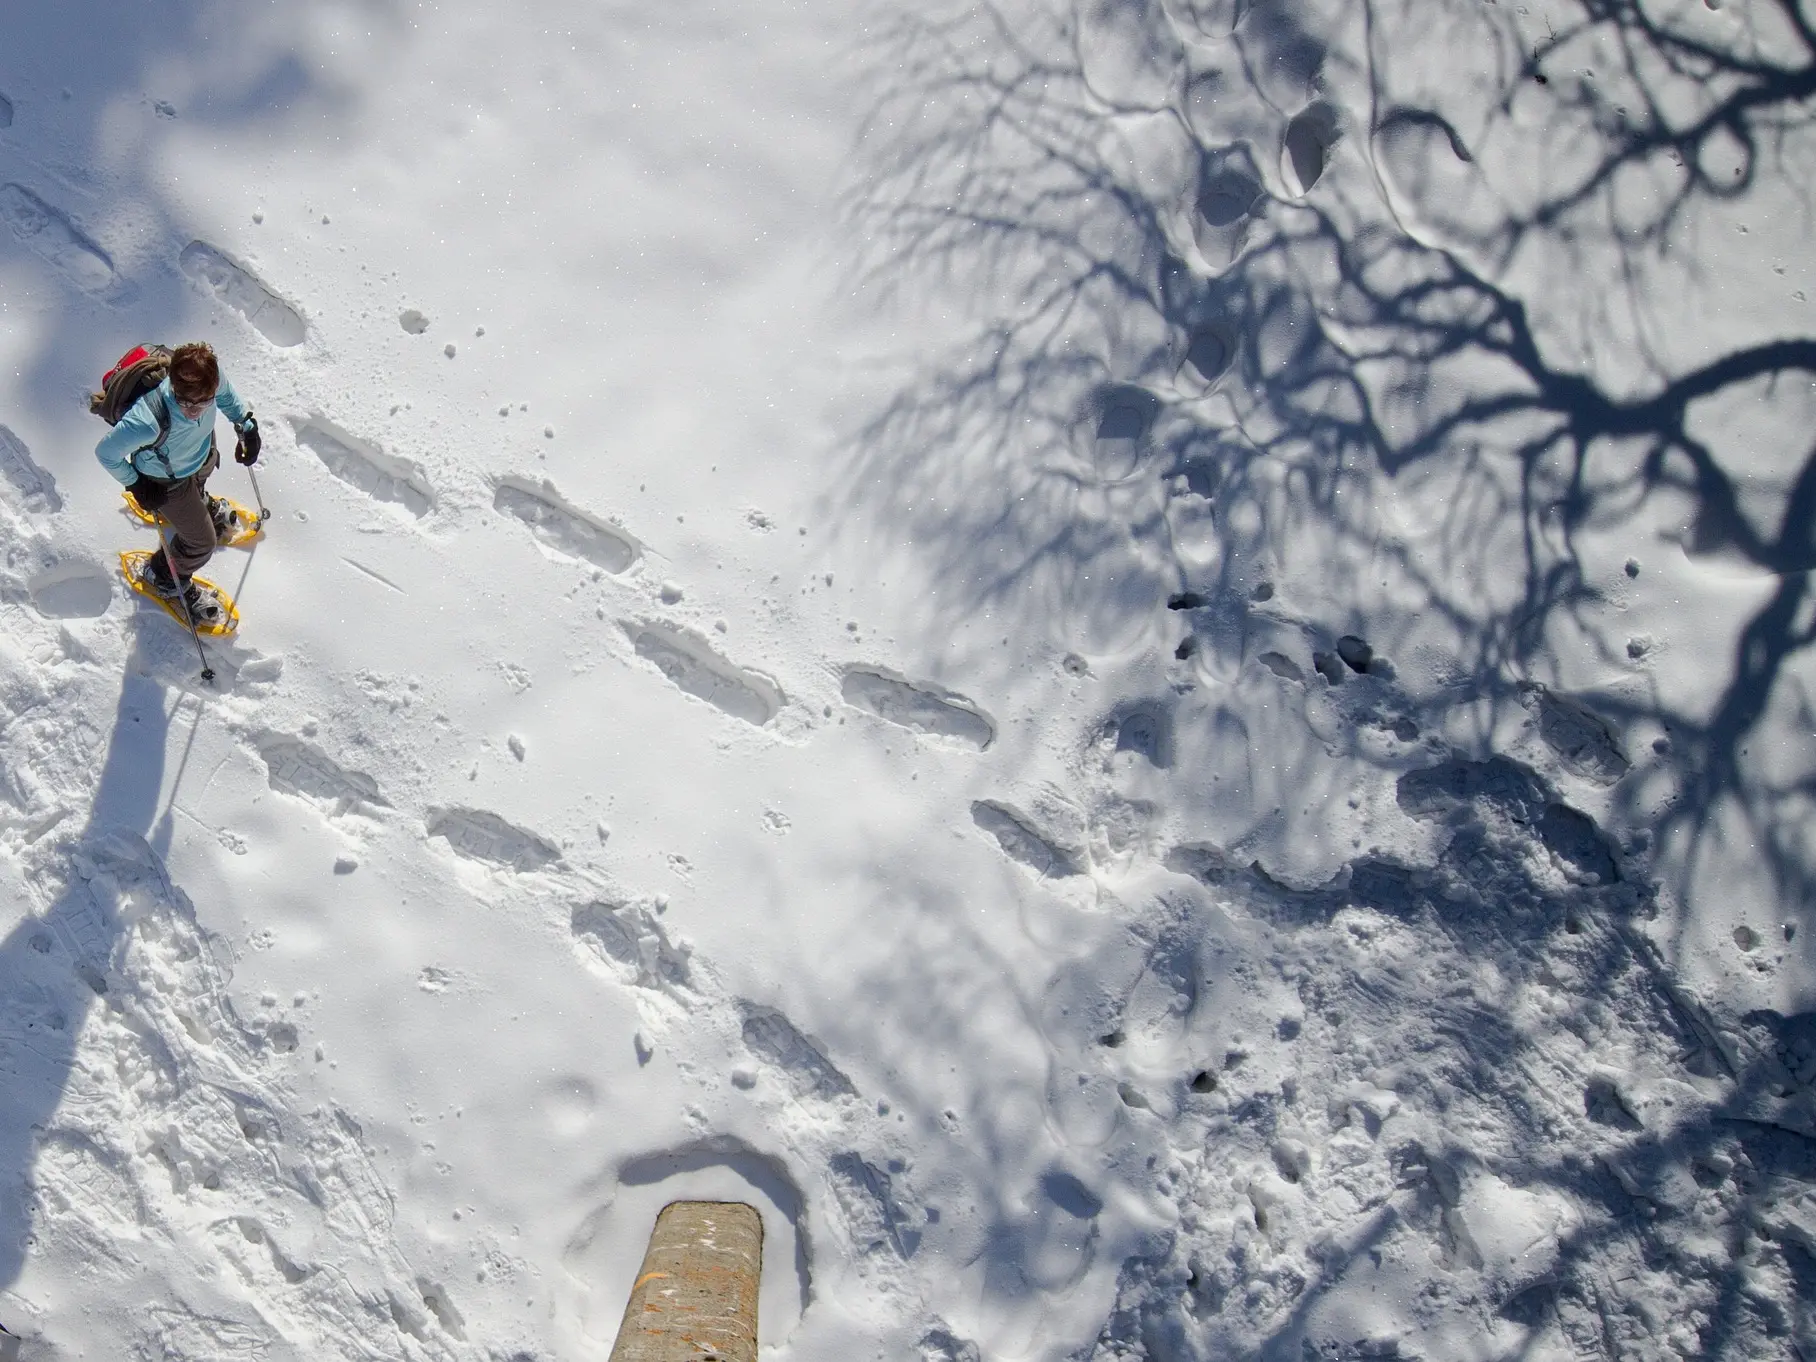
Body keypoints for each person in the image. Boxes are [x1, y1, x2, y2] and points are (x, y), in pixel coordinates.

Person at [94, 341, 261, 624]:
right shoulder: (146, 420)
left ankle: (200, 506)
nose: (194, 410)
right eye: (185, 402)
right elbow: (106, 453)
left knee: (201, 480)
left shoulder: (212, 377)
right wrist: (136, 484)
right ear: (173, 385)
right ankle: (165, 576)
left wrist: (246, 425)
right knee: (201, 544)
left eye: (204, 401)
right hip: (165, 480)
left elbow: (228, 396)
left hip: (199, 454)